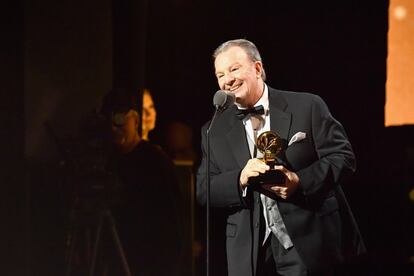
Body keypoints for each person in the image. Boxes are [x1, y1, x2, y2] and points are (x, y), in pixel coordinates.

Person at [196, 39, 366, 276]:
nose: (228, 80)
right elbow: (205, 190)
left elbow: (343, 157)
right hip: (250, 253)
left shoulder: (307, 105)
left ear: (257, 69)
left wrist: (299, 182)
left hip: (310, 242)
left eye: (234, 69)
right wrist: (240, 179)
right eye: (220, 74)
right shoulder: (213, 130)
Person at [100, 88, 182, 276]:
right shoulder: (109, 161)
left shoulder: (155, 161)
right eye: (109, 122)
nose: (114, 129)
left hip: (148, 259)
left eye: (120, 121)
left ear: (135, 121)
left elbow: (171, 222)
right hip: (118, 256)